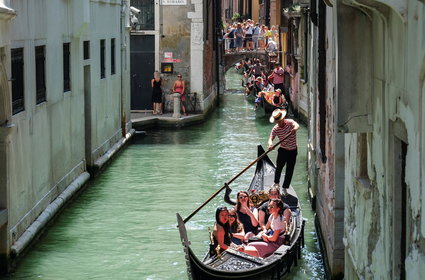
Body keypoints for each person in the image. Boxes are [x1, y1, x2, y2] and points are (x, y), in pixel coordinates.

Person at [268, 109, 299, 196]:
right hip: (283, 150)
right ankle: (276, 183)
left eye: (280, 121)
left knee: (290, 170)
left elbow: (297, 125)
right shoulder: (276, 128)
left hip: (293, 151)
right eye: (277, 121)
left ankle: (285, 188)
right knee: (278, 168)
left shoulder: (290, 122)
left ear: (283, 118)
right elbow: (271, 138)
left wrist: (295, 129)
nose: (279, 123)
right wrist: (270, 144)